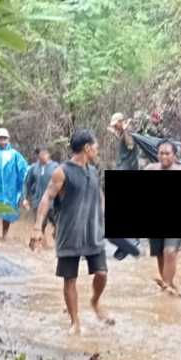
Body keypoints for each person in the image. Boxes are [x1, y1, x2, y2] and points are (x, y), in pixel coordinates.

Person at [30, 130, 109, 335]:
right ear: (86, 148)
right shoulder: (62, 171)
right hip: (69, 233)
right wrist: (38, 227)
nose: (97, 150)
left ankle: (94, 300)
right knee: (70, 279)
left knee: (101, 273)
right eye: (96, 147)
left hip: (93, 232)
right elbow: (47, 197)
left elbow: (99, 194)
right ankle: (75, 322)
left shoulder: (93, 171)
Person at [145, 140, 181, 296]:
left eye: (167, 153)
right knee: (160, 254)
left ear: (174, 156)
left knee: (170, 251)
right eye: (161, 153)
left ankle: (167, 287)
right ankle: (167, 282)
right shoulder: (150, 169)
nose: (164, 156)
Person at [22, 145, 59, 241]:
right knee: (40, 226)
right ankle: (41, 246)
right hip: (38, 202)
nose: (43, 156)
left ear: (48, 154)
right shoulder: (33, 168)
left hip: (54, 203)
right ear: (37, 156)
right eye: (40, 154)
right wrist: (25, 198)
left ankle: (56, 240)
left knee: (59, 225)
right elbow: (27, 184)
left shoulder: (55, 167)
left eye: (45, 153)